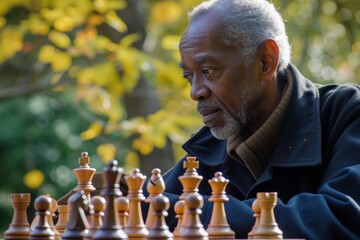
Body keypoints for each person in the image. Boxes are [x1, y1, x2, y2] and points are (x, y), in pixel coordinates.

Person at [156, 0, 360, 239]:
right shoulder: (204, 154)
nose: (195, 92)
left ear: (266, 61)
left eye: (208, 71)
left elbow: (342, 219)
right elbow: (142, 202)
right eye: (188, 76)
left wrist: (180, 211)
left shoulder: (348, 114)